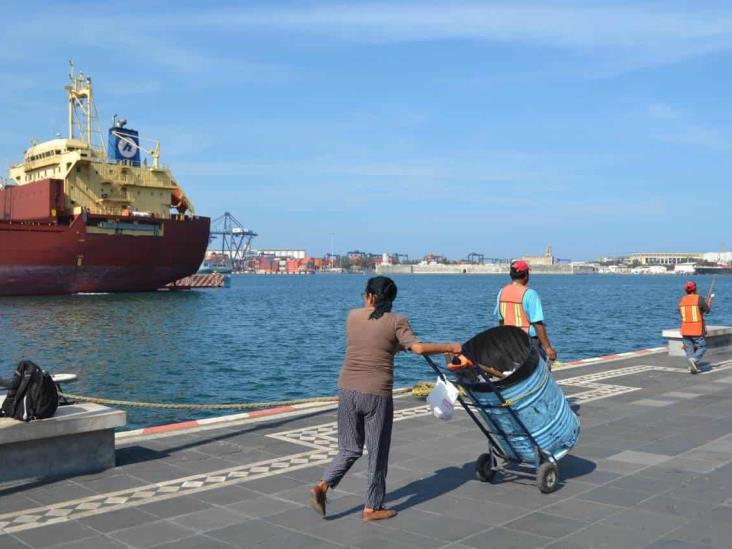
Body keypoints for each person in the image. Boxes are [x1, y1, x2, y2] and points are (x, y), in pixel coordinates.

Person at [309, 276, 463, 521]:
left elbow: (371, 342)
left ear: (370, 296)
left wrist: (395, 346)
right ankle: (372, 507)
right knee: (378, 451)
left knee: (349, 448)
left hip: (347, 389)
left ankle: (323, 485)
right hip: (376, 394)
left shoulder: (352, 316)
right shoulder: (396, 321)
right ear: (390, 299)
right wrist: (451, 347)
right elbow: (418, 348)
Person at [494, 260, 557, 363]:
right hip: (528, 342)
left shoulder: (502, 292)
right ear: (526, 275)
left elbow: (501, 320)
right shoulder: (530, 294)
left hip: (510, 341)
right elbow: (537, 323)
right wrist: (548, 348)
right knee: (539, 369)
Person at [679, 280, 713, 374]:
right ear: (695, 289)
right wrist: (709, 301)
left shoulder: (682, 299)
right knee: (702, 346)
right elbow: (707, 310)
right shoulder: (699, 298)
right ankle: (694, 360)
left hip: (685, 329)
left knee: (689, 348)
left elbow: (681, 314)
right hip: (696, 329)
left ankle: (691, 367)